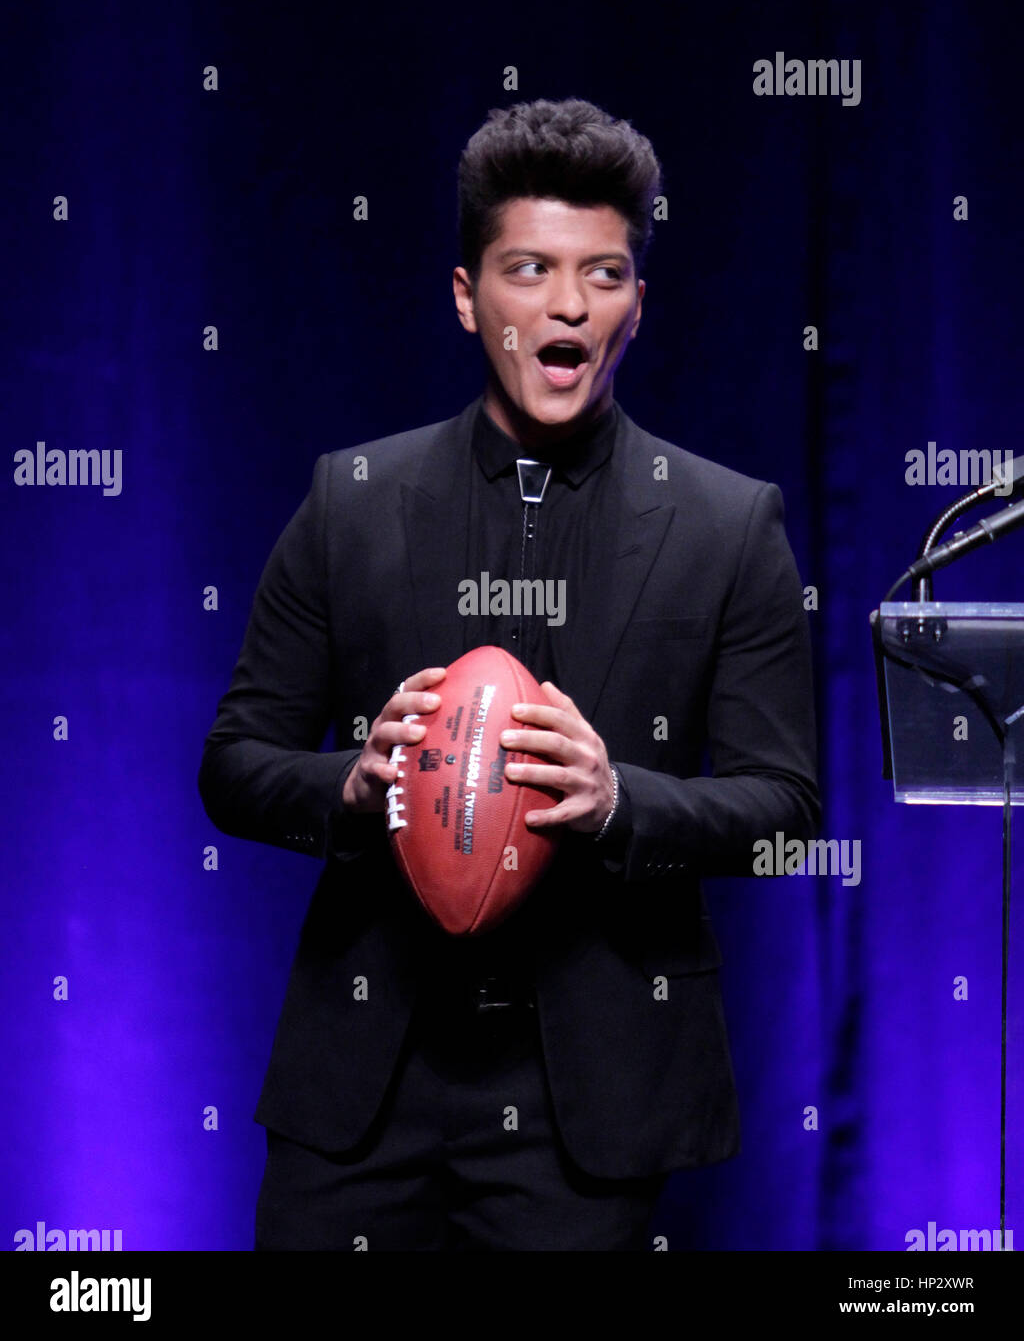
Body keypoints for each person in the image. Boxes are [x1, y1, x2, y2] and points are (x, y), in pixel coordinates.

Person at [198, 97, 820, 1251]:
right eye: (528, 269)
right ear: (466, 297)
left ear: (638, 303)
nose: (568, 304)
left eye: (606, 273)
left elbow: (785, 811)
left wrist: (621, 797)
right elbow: (233, 765)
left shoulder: (730, 525)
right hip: (362, 1093)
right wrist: (349, 781)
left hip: (587, 1109)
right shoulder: (352, 501)